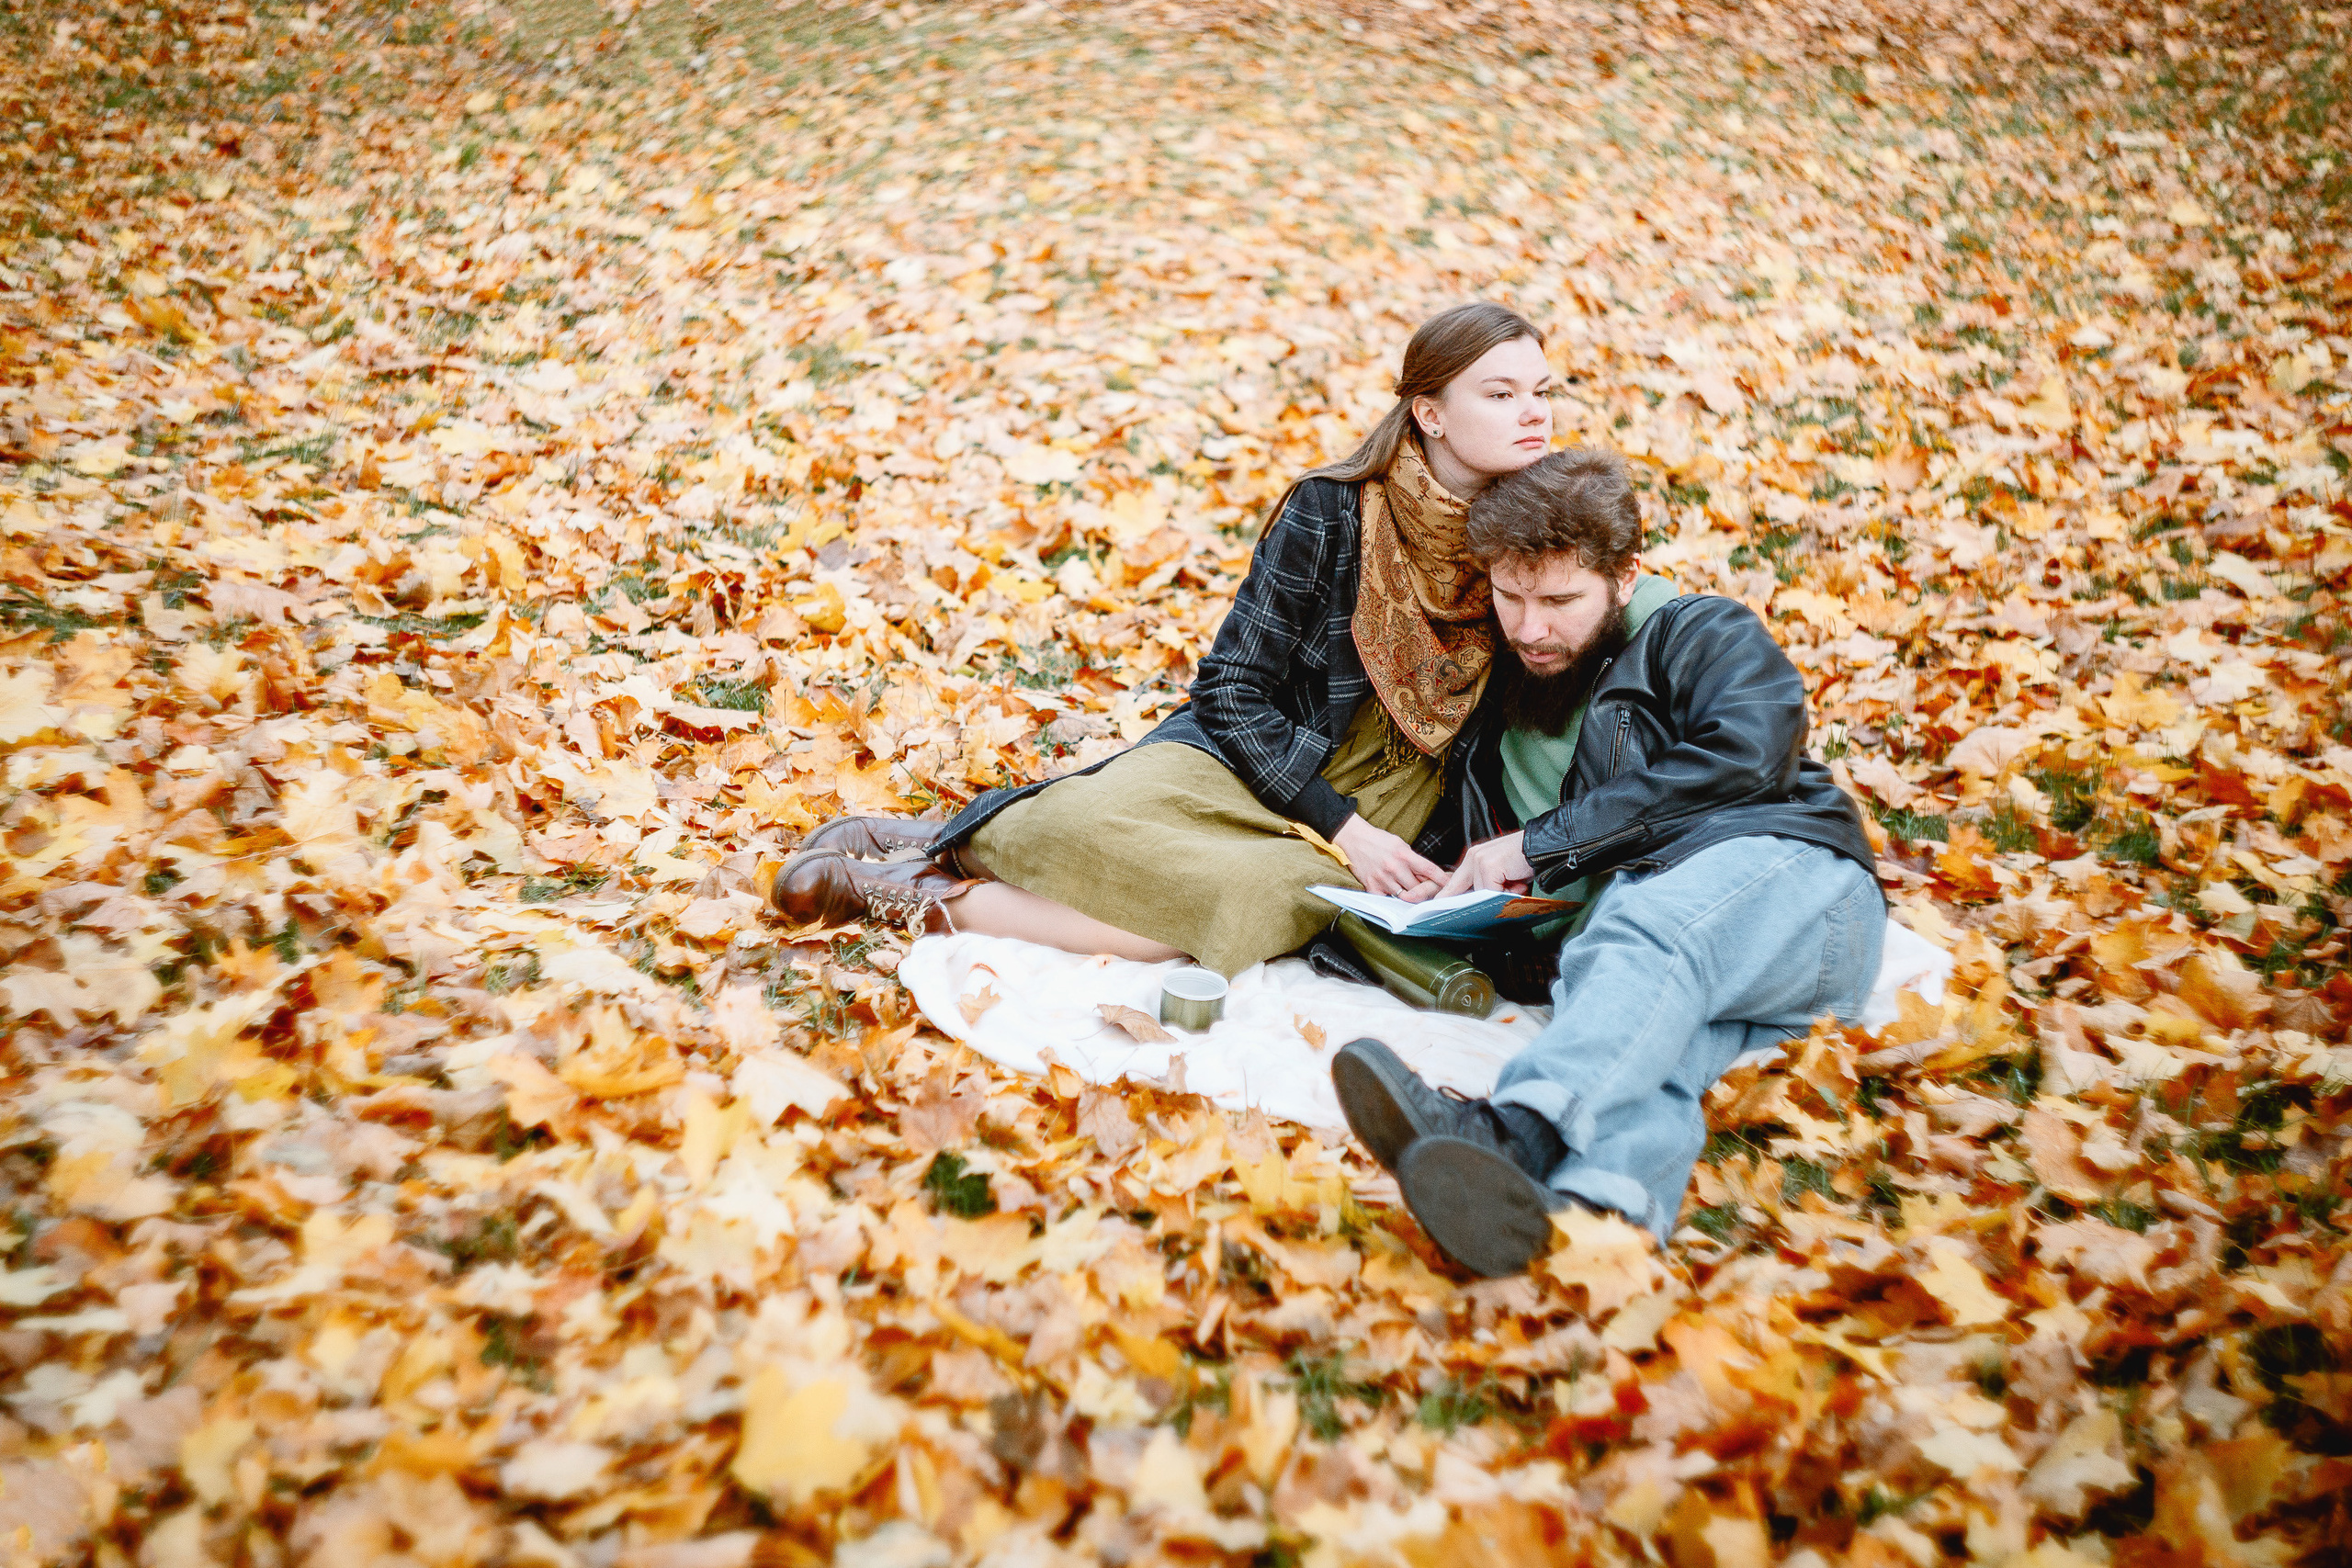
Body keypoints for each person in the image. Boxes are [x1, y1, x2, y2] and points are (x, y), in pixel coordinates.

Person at [770, 301, 1561, 976]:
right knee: (1085, 821)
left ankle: (931, 896)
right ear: (1430, 412)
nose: (1534, 413)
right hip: (1269, 760)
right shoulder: (1332, 510)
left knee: (1247, 900)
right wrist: (1341, 828)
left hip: (1395, 803)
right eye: (1501, 393)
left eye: (1541, 393)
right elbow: (1229, 689)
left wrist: (1388, 842)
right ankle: (943, 844)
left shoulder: (1536, 532)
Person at [1330, 447, 1885, 1278]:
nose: (1530, 628)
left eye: (1559, 600)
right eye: (1511, 597)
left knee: (1641, 928)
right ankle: (1590, 1235)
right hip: (1666, 954)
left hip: (1801, 889)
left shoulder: (1701, 631)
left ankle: (1507, 1132)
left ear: (1624, 577)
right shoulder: (1502, 692)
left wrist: (1542, 842)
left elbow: (1748, 753)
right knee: (1643, 1040)